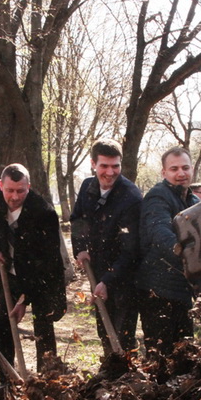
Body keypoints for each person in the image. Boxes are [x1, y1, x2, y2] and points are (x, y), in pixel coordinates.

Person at [0, 164, 66, 396]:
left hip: (43, 278)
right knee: (2, 328)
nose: (15, 196)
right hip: (11, 273)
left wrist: (24, 299)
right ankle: (6, 384)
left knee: (43, 328)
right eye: (10, 190)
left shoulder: (45, 213)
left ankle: (46, 383)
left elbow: (45, 264)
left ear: (29, 187)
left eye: (21, 191)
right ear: (1, 185)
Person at [71, 139, 143, 355]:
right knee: (104, 329)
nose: (110, 172)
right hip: (99, 268)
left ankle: (126, 376)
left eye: (115, 166)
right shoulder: (87, 187)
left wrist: (107, 281)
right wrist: (80, 248)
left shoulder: (131, 197)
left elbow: (131, 249)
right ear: (93, 164)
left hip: (126, 275)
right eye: (104, 166)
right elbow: (77, 220)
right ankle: (110, 369)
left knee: (122, 334)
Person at [136, 147, 201, 354]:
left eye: (185, 167)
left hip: (183, 289)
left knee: (183, 351)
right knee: (161, 356)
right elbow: (160, 232)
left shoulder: (193, 201)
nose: (181, 173)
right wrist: (183, 252)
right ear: (164, 173)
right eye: (174, 169)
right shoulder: (158, 196)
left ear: (192, 169)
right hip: (158, 290)